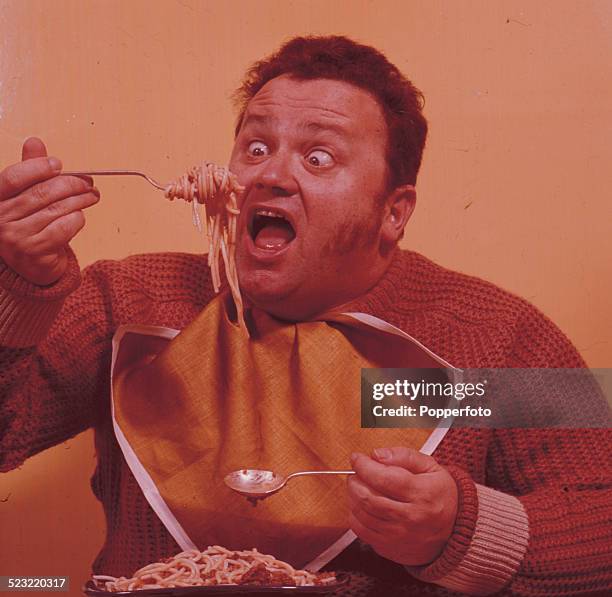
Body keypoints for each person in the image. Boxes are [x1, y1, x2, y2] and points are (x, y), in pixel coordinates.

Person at [0, 36, 610, 596]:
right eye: (256, 147)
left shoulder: (493, 337)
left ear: (393, 213)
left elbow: (601, 516)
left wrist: (460, 528)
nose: (270, 174)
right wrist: (19, 293)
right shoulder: (128, 301)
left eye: (319, 158)